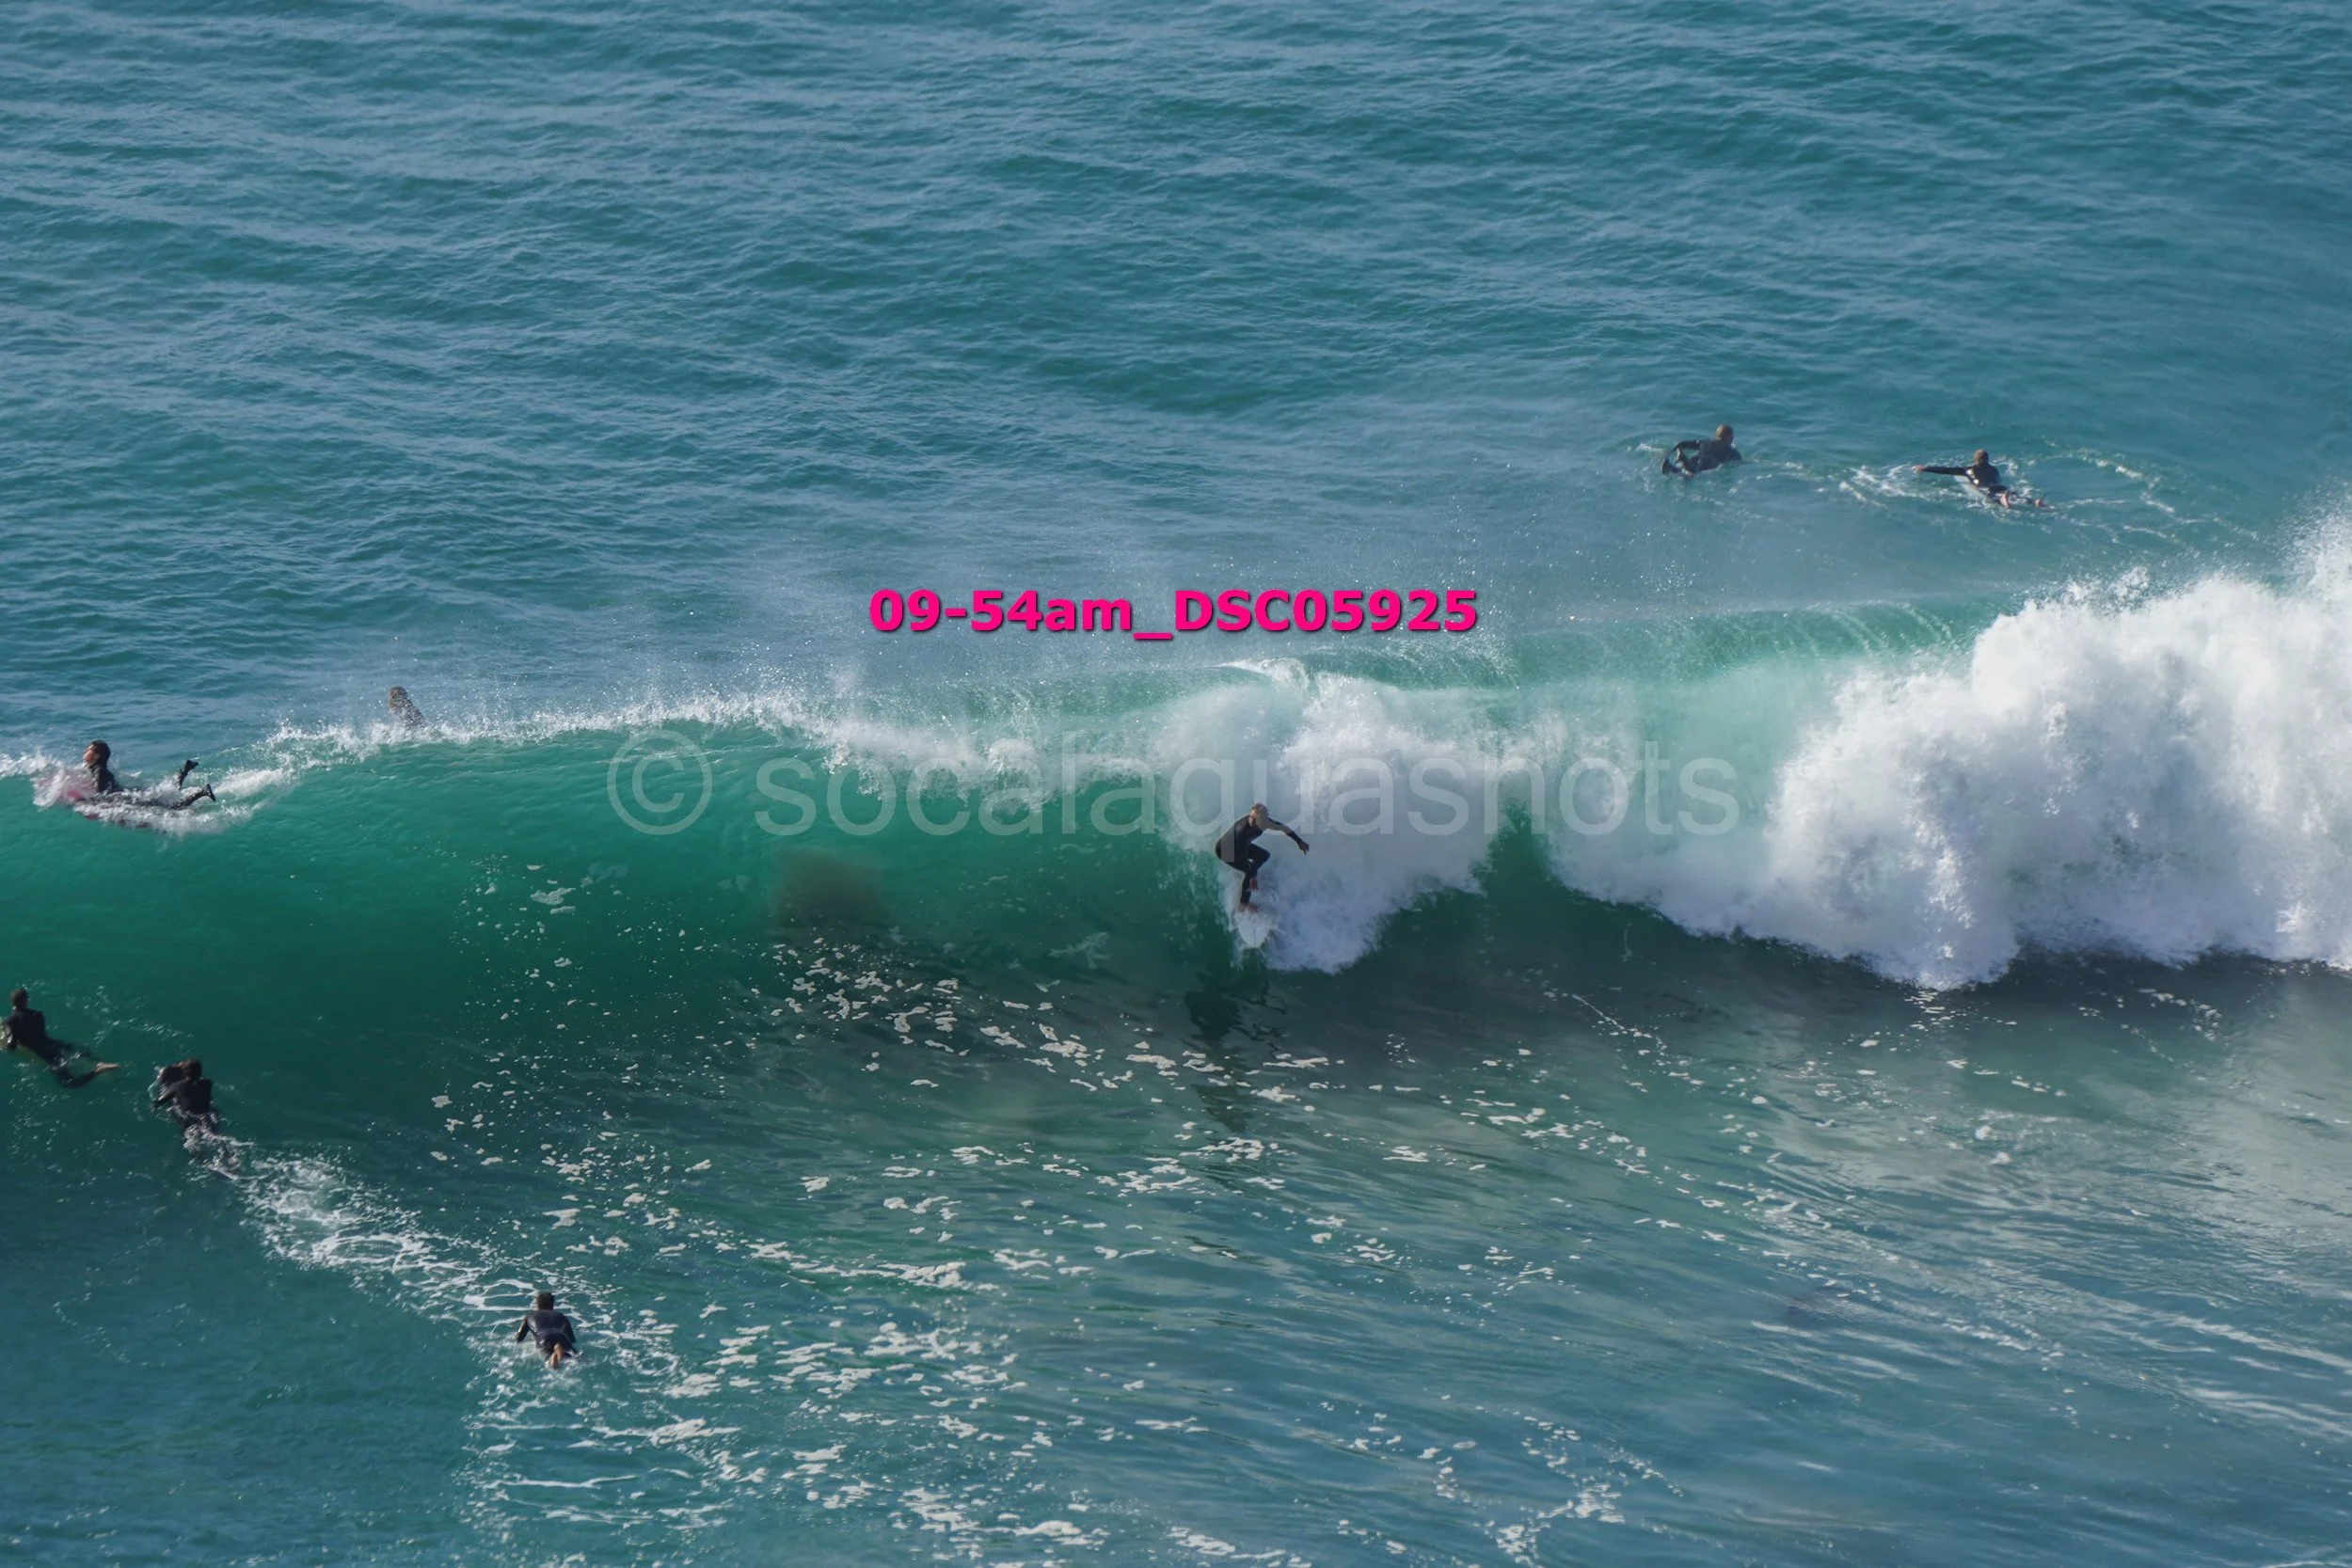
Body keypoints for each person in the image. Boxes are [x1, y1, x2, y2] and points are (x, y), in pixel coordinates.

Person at [5, 988, 120, 1087]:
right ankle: (99, 1061)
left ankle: (97, 1071)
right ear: (27, 1001)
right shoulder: (38, 1014)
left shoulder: (10, 1022)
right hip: (55, 1044)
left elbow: (11, 1045)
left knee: (69, 1083)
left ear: (13, 1003)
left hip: (47, 1054)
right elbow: (39, 1034)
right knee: (82, 1052)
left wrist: (12, 1042)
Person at [1215, 804, 1310, 911]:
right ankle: (1243, 903)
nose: (1250, 820)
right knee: (1250, 871)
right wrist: (1252, 876)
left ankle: (1247, 877)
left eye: (1254, 818)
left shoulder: (1266, 823)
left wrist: (1299, 842)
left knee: (1264, 856)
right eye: (1250, 816)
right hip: (1225, 851)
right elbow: (1243, 857)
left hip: (1240, 846)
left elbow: (1283, 828)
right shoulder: (1242, 832)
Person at [81, 742, 215, 808]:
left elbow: (101, 795)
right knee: (171, 794)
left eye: (88, 750)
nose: (85, 752)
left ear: (96, 756)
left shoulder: (98, 771)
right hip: (132, 794)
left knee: (172, 808)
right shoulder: (100, 770)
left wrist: (86, 802)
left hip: (132, 798)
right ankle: (185, 770)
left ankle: (202, 792)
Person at [1915, 450, 2047, 509]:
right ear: (1988, 459)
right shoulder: (1994, 469)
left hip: (1987, 489)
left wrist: (1926, 468)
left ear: (1975, 460)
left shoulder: (1968, 470)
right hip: (2001, 487)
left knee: (1993, 497)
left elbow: (1946, 470)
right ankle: (2034, 502)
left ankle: (2003, 500)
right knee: (2015, 496)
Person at [154, 1058, 219, 1133]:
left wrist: (153, 1106)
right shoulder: (208, 1083)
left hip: (189, 1118)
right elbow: (199, 1077)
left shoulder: (177, 1086)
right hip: (207, 1116)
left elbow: (160, 1101)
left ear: (185, 1071)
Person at [515, 1291, 578, 1367]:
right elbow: (572, 1340)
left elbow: (519, 1339)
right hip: (562, 1337)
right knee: (573, 1358)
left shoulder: (530, 1316)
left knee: (549, 1361)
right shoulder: (562, 1316)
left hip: (544, 1337)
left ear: (537, 1305)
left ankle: (554, 1357)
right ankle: (559, 1349)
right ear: (552, 1305)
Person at [1663, 424, 1742, 477]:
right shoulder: (1730, 450)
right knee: (1694, 474)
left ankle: (1671, 466)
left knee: (1686, 473)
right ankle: (1683, 459)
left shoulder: (1704, 442)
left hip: (1695, 459)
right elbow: (1739, 461)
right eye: (1732, 436)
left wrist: (1671, 451)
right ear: (1729, 438)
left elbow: (1682, 444)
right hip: (1708, 462)